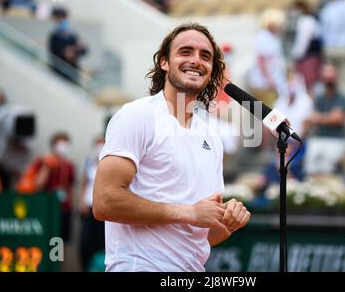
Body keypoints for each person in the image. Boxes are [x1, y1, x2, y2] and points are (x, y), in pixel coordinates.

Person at [93, 23, 251, 272]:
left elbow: (201, 236)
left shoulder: (212, 137)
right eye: (186, 52)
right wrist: (188, 212)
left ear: (212, 70)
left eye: (205, 56)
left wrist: (229, 223)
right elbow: (104, 202)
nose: (196, 60)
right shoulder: (137, 115)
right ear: (164, 62)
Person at [303, 63, 345, 177]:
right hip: (319, 138)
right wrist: (328, 117)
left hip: (336, 139)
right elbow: (311, 118)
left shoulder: (342, 97)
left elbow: (338, 118)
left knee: (328, 169)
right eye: (326, 77)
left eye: (331, 76)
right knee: (310, 168)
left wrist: (319, 118)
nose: (328, 80)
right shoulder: (320, 98)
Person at [34, 132, 75, 242]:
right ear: (53, 145)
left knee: (60, 240)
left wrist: (70, 205)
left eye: (65, 144)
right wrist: (47, 166)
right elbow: (37, 185)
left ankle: (59, 259)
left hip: (64, 208)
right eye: (59, 143)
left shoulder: (69, 165)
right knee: (46, 238)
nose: (62, 147)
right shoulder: (44, 161)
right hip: (46, 206)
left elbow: (70, 187)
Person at [78, 136, 105, 271]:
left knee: (102, 243)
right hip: (88, 209)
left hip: (103, 209)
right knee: (85, 244)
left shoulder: (109, 162)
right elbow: (84, 183)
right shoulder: (88, 162)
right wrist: (81, 202)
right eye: (97, 144)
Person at [48, 7, 87, 84]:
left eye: (63, 17)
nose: (62, 20)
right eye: (59, 18)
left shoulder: (72, 34)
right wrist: (66, 53)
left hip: (72, 69)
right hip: (59, 70)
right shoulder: (55, 36)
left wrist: (75, 51)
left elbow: (83, 50)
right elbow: (55, 52)